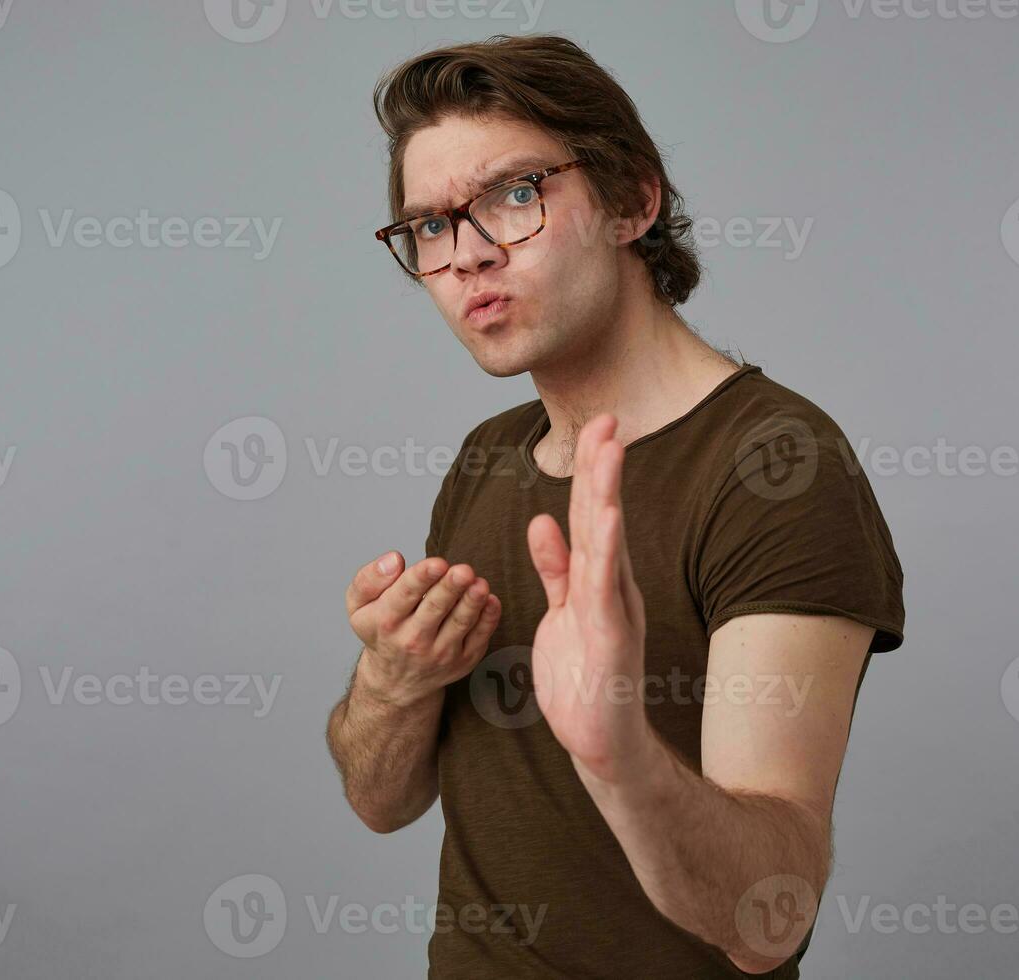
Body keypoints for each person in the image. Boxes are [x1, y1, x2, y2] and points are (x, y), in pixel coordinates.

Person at [327, 33, 905, 979]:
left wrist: (620, 752)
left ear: (634, 200)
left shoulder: (779, 467)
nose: (467, 256)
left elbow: (769, 924)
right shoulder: (487, 458)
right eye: (430, 227)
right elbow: (382, 804)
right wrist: (393, 680)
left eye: (514, 196)